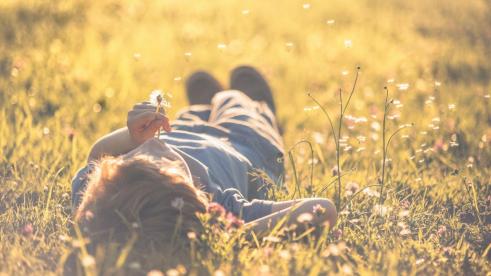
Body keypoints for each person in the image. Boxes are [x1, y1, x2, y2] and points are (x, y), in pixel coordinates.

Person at [71, 66, 337, 246]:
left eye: (136, 156)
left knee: (192, 111)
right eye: (163, 162)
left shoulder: (101, 195)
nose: (153, 146)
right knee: (236, 100)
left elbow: (96, 156)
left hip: (186, 131)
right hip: (243, 144)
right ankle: (255, 105)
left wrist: (131, 138)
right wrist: (231, 234)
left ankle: (206, 103)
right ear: (188, 188)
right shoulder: (219, 208)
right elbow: (322, 208)